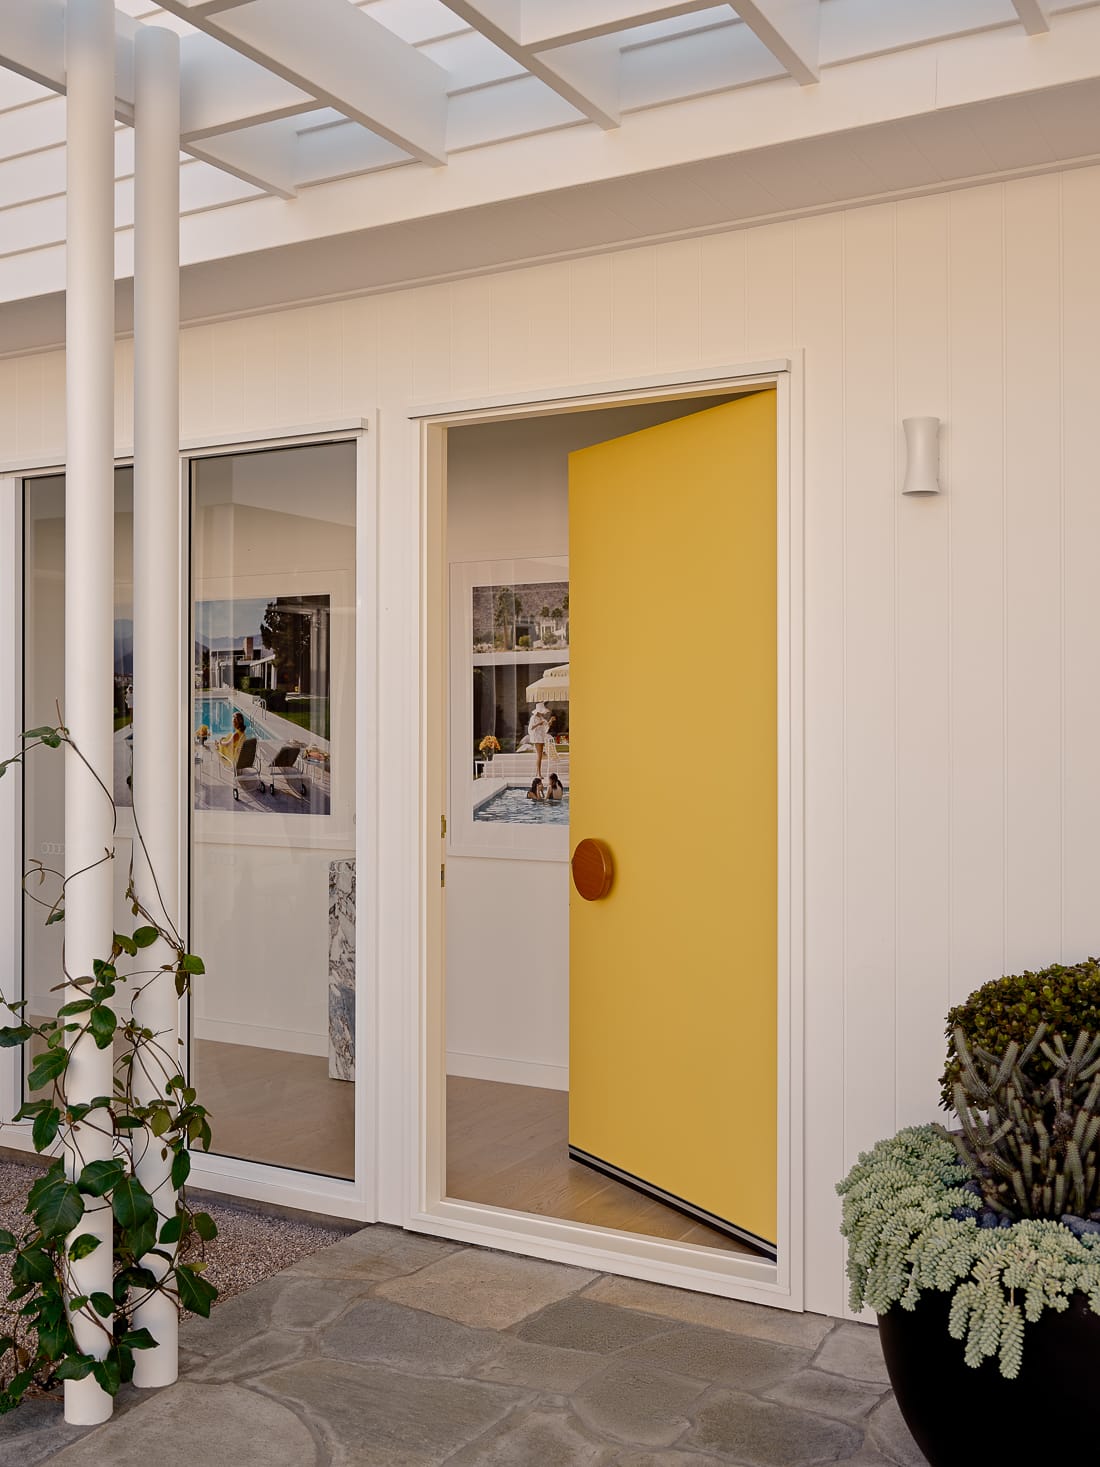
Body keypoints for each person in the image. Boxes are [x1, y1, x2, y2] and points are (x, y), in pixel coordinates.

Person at [527, 702, 551, 778]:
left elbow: (546, 726)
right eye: (542, 712)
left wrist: (551, 721)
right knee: (539, 755)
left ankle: (538, 773)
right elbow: (530, 728)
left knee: (540, 756)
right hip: (536, 738)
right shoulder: (533, 718)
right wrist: (538, 724)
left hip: (541, 737)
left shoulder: (541, 718)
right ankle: (538, 774)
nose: (543, 713)